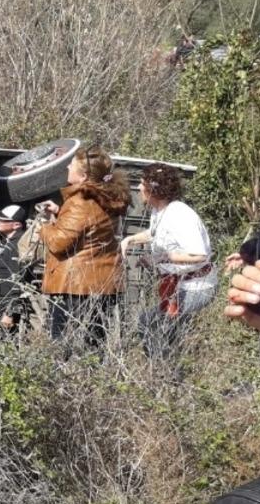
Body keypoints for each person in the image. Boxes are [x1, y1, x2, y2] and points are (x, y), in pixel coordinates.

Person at [39, 145, 130, 354]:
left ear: (84, 176)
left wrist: (44, 227)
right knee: (93, 346)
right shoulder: (106, 197)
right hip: (101, 283)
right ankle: (91, 385)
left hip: (75, 286)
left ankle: (65, 386)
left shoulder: (80, 201)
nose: (68, 167)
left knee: (64, 348)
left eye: (72, 165)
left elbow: (58, 243)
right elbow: (92, 226)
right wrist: (61, 212)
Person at [120, 163, 216, 355]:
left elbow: (199, 255)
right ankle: (164, 367)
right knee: (156, 326)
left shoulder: (179, 214)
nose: (139, 188)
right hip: (176, 286)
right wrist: (131, 239)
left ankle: (163, 371)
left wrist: (165, 258)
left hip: (195, 287)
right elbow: (156, 233)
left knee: (154, 324)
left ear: (153, 188)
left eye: (142, 183)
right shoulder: (160, 211)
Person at [0, 205, 38, 333]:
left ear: (16, 225)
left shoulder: (19, 245)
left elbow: (18, 280)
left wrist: (9, 313)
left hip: (7, 306)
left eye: (3, 219)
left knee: (5, 341)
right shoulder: (6, 241)